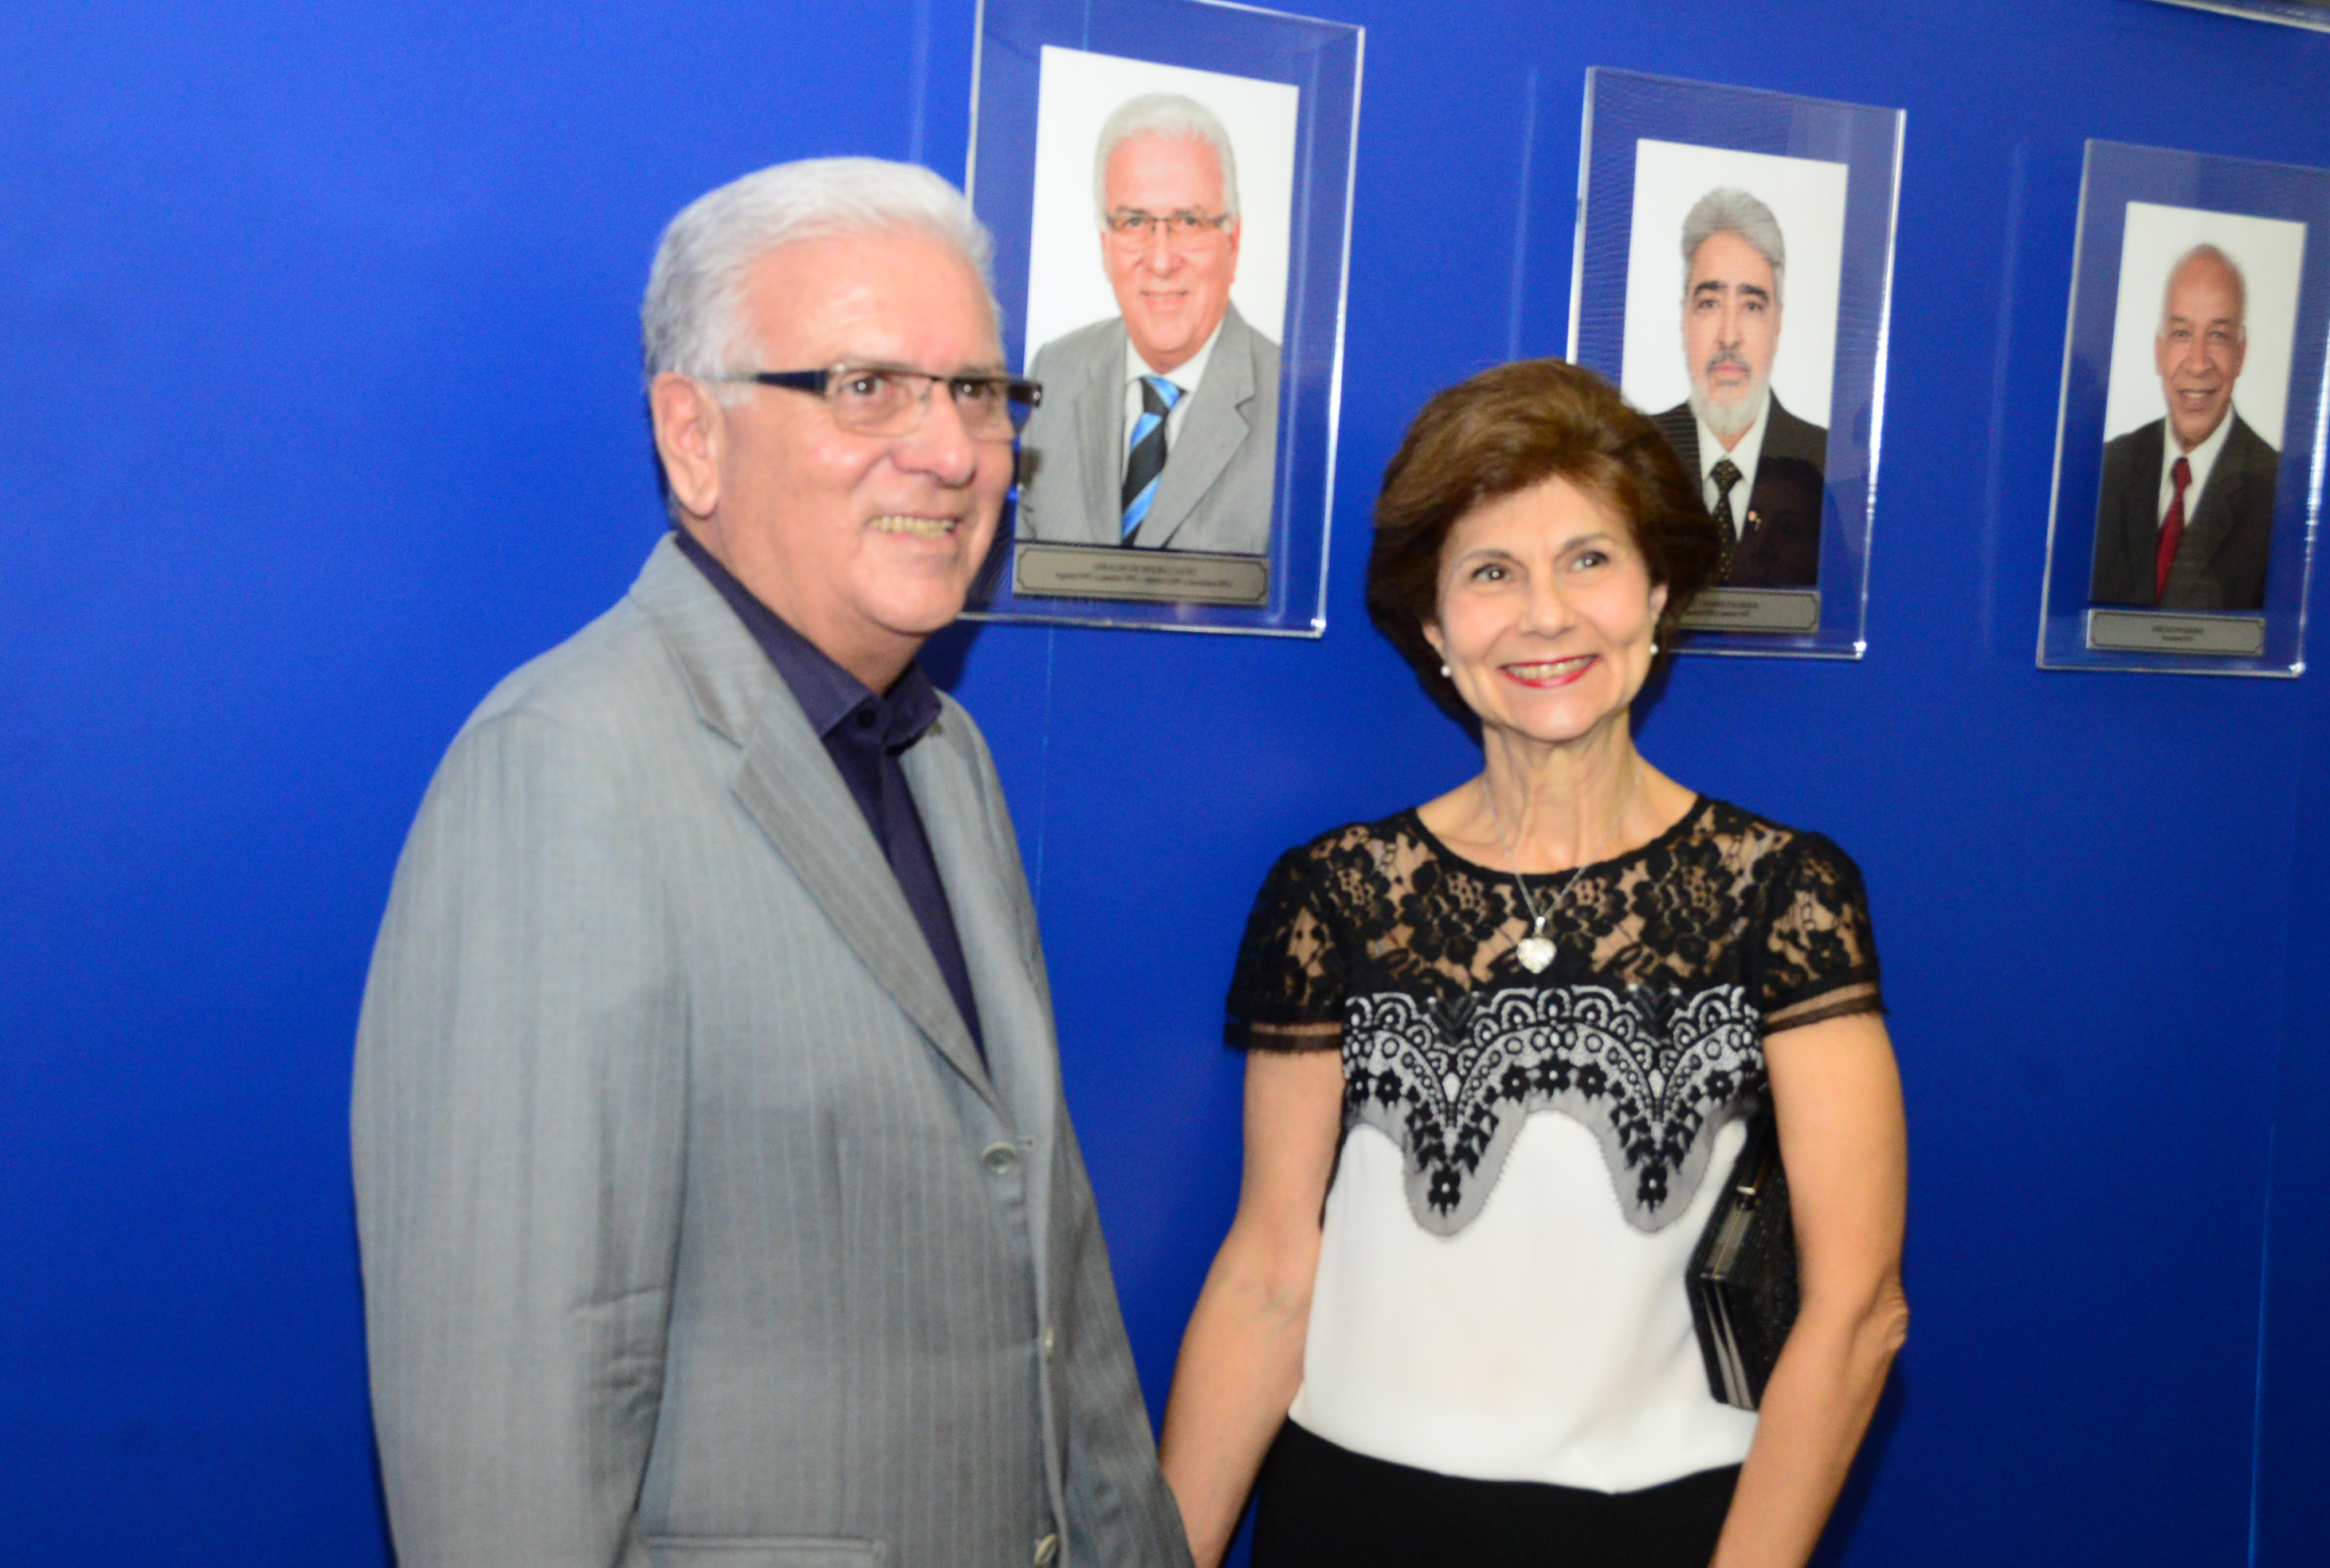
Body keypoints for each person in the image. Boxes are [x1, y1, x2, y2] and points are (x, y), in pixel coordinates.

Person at [351, 157, 1193, 1568]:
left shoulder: (947, 759)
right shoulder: (561, 774)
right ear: (692, 436)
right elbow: (506, 1443)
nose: (950, 451)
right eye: (866, 387)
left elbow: (1054, 1288)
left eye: (976, 390)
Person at [1159, 360, 1908, 1568]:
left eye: (1588, 560)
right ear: (1433, 625)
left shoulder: (1782, 894)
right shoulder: (1335, 894)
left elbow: (1858, 1309)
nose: (1545, 615)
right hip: (1349, 1524)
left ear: (1657, 593)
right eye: (1492, 572)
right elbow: (1267, 1276)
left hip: (1669, 1532)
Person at [1018, 92, 1281, 555]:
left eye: (1189, 221)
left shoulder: (1290, 403)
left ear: (1233, 242)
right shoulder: (1053, 373)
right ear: (1105, 246)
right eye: (1135, 221)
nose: (1161, 261)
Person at [1651, 188, 1827, 590]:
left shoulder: (1823, 464)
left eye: (1751, 306)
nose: (1729, 336)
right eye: (1710, 303)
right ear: (1684, 319)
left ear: (1777, 324)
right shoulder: (1636, 455)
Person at [2089, 242, 2278, 612]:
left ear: (2241, 353)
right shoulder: (2106, 470)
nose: (2197, 363)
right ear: (2159, 351)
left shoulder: (2278, 495)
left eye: (2218, 335)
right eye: (2181, 333)